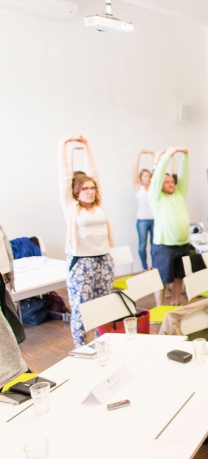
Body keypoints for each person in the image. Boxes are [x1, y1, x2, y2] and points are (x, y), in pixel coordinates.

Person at [58, 135, 115, 347]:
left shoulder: (98, 205)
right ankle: (82, 349)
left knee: (103, 308)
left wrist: (87, 146)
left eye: (92, 188)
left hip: (103, 261)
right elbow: (64, 176)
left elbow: (94, 173)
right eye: (85, 189)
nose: (90, 191)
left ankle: (101, 346)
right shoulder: (72, 208)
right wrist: (63, 146)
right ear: (76, 192)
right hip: (82, 263)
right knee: (82, 311)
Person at [148, 146, 190, 307]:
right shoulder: (156, 197)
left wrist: (185, 157)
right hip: (164, 246)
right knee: (161, 278)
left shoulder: (179, 194)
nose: (170, 183)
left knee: (179, 276)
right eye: (166, 182)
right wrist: (167, 155)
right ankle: (160, 307)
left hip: (183, 244)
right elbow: (157, 176)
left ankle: (175, 302)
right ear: (160, 185)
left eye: (172, 181)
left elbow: (184, 177)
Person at [132, 149, 156, 270]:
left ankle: (154, 266)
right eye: (145, 176)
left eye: (149, 176)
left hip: (154, 219)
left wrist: (153, 156)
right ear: (141, 177)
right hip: (142, 220)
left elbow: (156, 170)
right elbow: (134, 169)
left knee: (154, 245)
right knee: (142, 245)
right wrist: (138, 154)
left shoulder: (153, 187)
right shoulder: (138, 187)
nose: (147, 178)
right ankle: (144, 267)